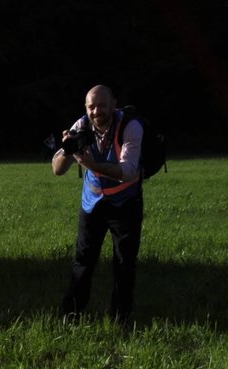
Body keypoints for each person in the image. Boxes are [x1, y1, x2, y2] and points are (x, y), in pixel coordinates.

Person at [53, 84, 144, 327]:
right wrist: (67, 149)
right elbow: (57, 170)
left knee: (124, 262)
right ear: (85, 108)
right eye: (91, 106)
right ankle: (71, 315)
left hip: (126, 203)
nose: (96, 111)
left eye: (102, 105)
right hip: (93, 203)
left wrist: (92, 165)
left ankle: (120, 318)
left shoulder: (130, 127)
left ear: (114, 104)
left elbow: (128, 171)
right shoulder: (80, 126)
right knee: (83, 260)